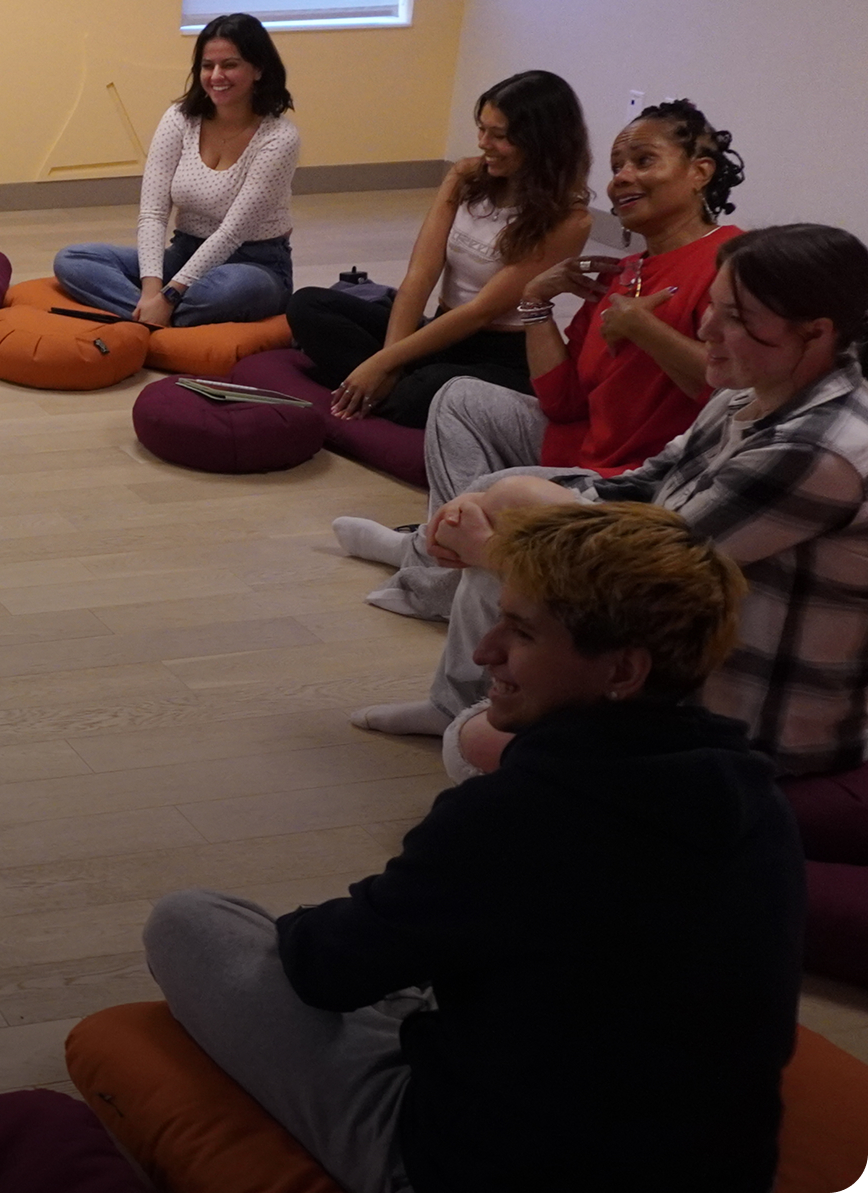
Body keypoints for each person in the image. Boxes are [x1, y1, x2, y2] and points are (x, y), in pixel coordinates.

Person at [147, 503, 802, 1193]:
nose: (484, 651)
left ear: (623, 671)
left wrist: (348, 929)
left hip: (485, 1166)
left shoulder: (520, 817)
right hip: (718, 1167)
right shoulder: (758, 800)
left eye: (520, 632)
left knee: (192, 922)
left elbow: (325, 968)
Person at [357, 225, 868, 983]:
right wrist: (499, 508)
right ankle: (436, 584)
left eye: (732, 318)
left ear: (817, 332)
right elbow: (641, 484)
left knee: (477, 742)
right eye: (714, 307)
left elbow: (645, 571)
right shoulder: (752, 393)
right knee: (502, 500)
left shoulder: (820, 450)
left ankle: (562, 851)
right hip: (667, 644)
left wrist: (498, 541)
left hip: (746, 726)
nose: (705, 328)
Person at [334, 100, 746, 616]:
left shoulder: (732, 262)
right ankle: (449, 560)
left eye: (643, 161)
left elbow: (729, 392)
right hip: (586, 442)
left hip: (642, 475)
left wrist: (643, 328)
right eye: (617, 165)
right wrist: (535, 304)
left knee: (494, 488)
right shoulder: (624, 270)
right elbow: (562, 401)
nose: (622, 178)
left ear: (699, 172)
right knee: (459, 397)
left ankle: (433, 567)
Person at [285, 71, 592, 427]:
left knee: (430, 386)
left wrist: (381, 365)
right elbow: (420, 274)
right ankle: (379, 391)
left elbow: (480, 311)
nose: (483, 143)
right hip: (439, 332)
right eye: (482, 129)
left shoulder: (571, 221)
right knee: (307, 305)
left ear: (541, 143)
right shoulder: (465, 176)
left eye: (500, 136)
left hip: (501, 355)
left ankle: (370, 391)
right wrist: (389, 358)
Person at [51, 13, 298, 327]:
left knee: (234, 289)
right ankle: (154, 318)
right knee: (74, 259)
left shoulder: (279, 138)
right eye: (208, 66)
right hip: (184, 251)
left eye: (230, 65)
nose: (217, 75)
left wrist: (170, 296)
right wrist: (151, 291)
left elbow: (231, 234)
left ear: (259, 69)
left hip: (253, 263)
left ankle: (152, 318)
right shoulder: (180, 118)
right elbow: (153, 214)